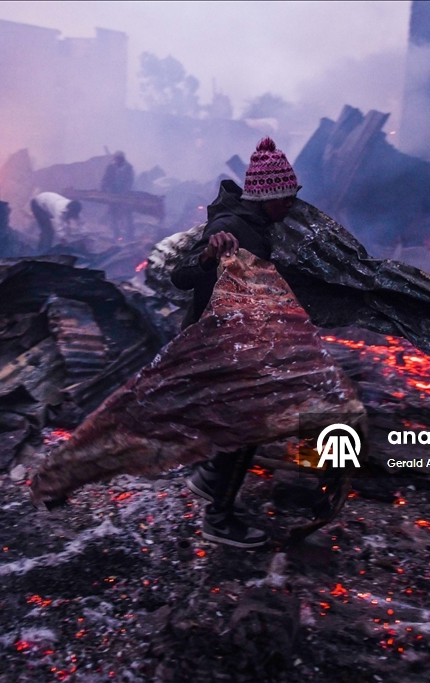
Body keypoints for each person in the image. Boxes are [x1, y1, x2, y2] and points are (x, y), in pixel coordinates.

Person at [170, 137, 300, 548]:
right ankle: (219, 518)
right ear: (265, 197)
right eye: (285, 199)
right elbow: (180, 275)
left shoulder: (261, 226)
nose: (291, 206)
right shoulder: (230, 229)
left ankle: (211, 479)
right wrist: (209, 255)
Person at [101, 151, 134, 240]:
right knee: (113, 215)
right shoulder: (110, 167)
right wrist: (103, 189)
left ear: (122, 159)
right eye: (116, 159)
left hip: (125, 196)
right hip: (113, 195)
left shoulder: (128, 168)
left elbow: (130, 181)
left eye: (118, 159)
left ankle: (130, 236)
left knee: (127, 215)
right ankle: (117, 235)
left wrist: (125, 193)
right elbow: (105, 179)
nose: (117, 161)